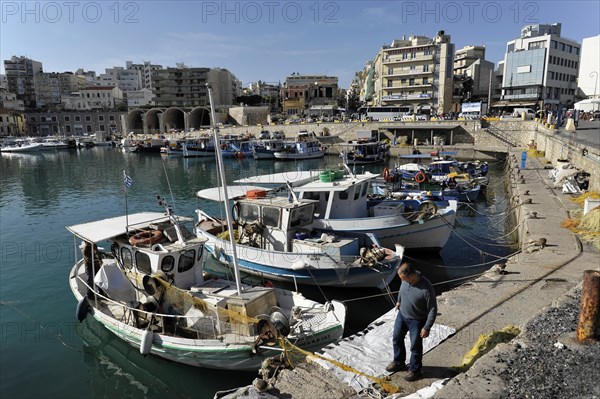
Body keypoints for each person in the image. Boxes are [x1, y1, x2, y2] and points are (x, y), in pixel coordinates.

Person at [386, 262, 437, 381]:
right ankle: (398, 362)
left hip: (417, 321)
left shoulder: (426, 288)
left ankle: (415, 370)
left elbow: (433, 310)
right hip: (402, 315)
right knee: (396, 338)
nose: (403, 281)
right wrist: (399, 301)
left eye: (404, 279)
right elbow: (401, 290)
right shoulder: (405, 280)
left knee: (415, 346)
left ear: (412, 276)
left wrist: (427, 327)